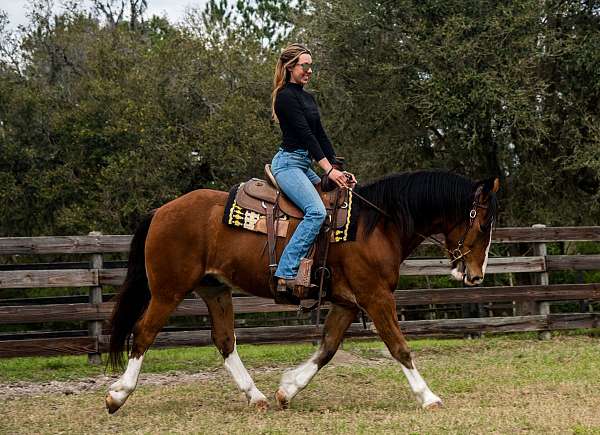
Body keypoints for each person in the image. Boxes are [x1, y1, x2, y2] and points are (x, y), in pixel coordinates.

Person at [270, 43, 356, 293]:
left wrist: (338, 167)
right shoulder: (285, 96)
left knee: (338, 199)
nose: (309, 70)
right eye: (304, 65)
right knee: (316, 211)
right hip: (287, 165)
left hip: (303, 165)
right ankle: (286, 272)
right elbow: (306, 136)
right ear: (290, 67)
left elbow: (319, 134)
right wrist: (328, 170)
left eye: (311, 66)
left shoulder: (307, 98)